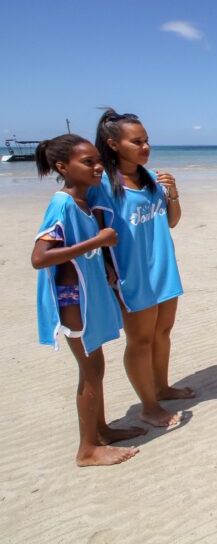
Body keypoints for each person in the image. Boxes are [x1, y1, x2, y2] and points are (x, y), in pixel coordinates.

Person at [32, 134, 145, 465]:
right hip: (73, 301)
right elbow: (40, 257)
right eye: (88, 162)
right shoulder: (63, 204)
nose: (97, 167)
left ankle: (102, 430)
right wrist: (96, 241)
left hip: (88, 296)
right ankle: (87, 450)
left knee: (96, 367)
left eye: (98, 161)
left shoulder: (83, 202)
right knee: (91, 370)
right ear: (63, 167)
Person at [90, 110, 193, 428]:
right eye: (137, 141)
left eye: (147, 140)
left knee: (163, 332)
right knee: (140, 340)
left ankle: (161, 387)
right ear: (113, 144)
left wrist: (172, 190)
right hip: (131, 273)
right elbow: (96, 231)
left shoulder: (149, 179)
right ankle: (148, 405)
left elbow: (171, 221)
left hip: (163, 267)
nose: (146, 146)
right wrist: (107, 269)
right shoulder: (104, 184)